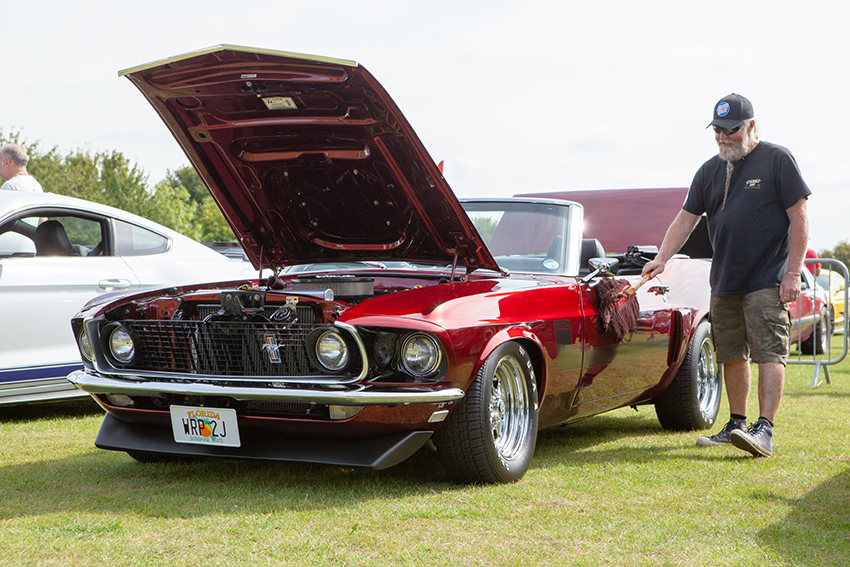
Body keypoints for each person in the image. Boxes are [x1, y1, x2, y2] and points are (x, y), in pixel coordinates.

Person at [642, 93, 810, 458]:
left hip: (768, 278)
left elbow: (800, 217)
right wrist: (661, 258)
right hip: (724, 282)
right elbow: (685, 219)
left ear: (751, 126)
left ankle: (764, 430)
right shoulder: (708, 171)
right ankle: (737, 424)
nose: (723, 137)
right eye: (717, 130)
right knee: (731, 354)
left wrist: (793, 273)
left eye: (731, 130)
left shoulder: (777, 160)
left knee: (769, 353)